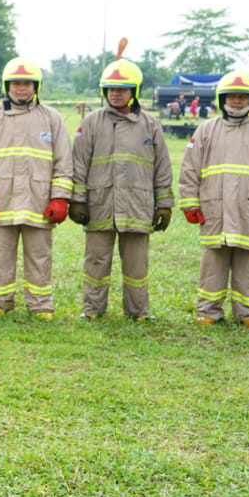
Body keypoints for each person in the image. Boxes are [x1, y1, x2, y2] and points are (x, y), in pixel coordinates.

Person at [179, 71, 249, 328]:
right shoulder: (206, 130)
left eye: (243, 96)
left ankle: (248, 313)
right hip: (214, 209)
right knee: (213, 262)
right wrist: (190, 203)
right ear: (222, 99)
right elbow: (189, 170)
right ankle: (209, 311)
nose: (238, 101)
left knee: (248, 263)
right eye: (232, 96)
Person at [70, 58, 174, 321]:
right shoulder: (91, 122)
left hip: (137, 205)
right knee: (95, 262)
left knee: (137, 264)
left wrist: (164, 204)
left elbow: (162, 167)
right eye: (110, 89)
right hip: (99, 204)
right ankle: (92, 310)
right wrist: (78, 200)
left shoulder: (150, 125)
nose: (115, 94)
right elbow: (78, 164)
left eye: (122, 89)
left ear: (134, 91)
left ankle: (138, 311)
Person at [0, 58, 73, 319]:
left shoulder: (52, 118)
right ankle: (0, 302)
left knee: (40, 256)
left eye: (26, 84)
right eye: (16, 84)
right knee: (0, 255)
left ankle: (40, 305)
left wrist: (60, 198)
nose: (21, 89)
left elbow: (63, 161)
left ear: (35, 86)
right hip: (2, 202)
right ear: (7, 86)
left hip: (38, 202)